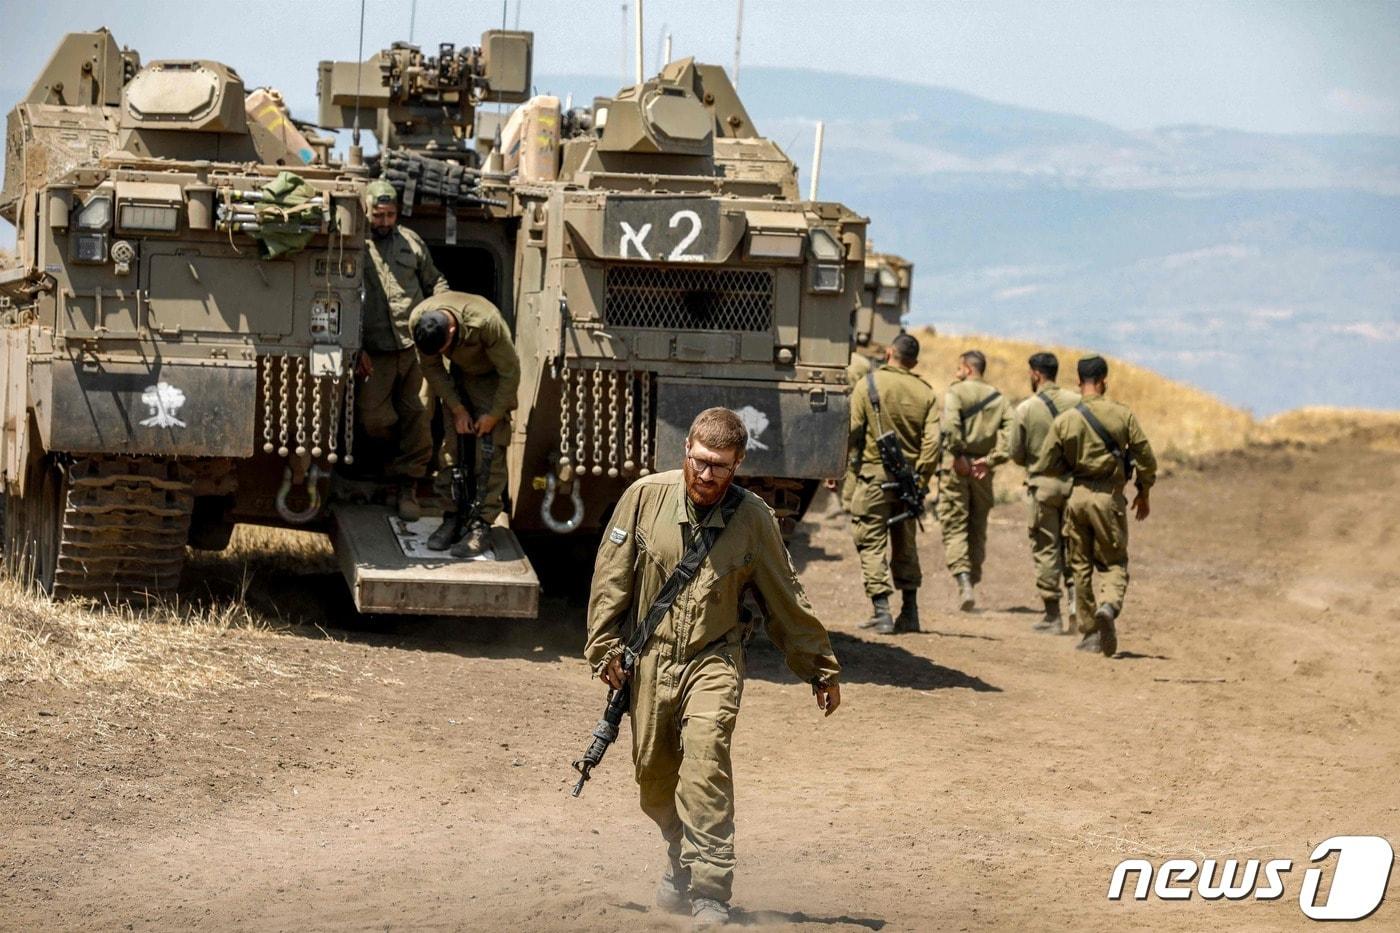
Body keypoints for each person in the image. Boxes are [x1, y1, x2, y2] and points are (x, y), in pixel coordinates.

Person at [585, 407, 841, 927]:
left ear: (739, 463)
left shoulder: (754, 520)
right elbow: (611, 579)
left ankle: (710, 890)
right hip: (649, 658)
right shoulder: (644, 497)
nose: (707, 476)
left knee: (705, 758)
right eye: (700, 462)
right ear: (686, 452)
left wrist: (819, 666)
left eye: (720, 466)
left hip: (714, 655)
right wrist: (605, 648)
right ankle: (679, 860)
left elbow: (784, 597)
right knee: (653, 779)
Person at [1032, 355, 1157, 657]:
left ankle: (1090, 633)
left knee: (1080, 564)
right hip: (1108, 497)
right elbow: (1146, 459)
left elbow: (1046, 463)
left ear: (1078, 381)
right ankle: (1109, 606)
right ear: (1104, 381)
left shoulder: (1066, 420)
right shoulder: (1122, 415)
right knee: (1114, 561)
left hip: (1077, 497)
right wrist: (1143, 490)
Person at [356, 179, 450, 521]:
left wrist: (442, 314)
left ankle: (408, 483)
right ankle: (390, 462)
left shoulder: (411, 243)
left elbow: (435, 281)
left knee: (420, 414)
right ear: (367, 210)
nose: (384, 221)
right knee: (374, 418)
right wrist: (355, 346)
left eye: (390, 214)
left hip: (414, 346)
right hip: (375, 349)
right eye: (378, 214)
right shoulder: (356, 244)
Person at [409, 291, 520, 558]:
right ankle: (452, 516)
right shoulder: (418, 320)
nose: (444, 352)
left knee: (488, 451)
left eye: (446, 346)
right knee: (452, 448)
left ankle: (481, 525)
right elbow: (433, 368)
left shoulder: (486, 322)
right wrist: (457, 409)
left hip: (491, 380)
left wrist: (493, 415)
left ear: (452, 328)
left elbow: (510, 372)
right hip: (456, 377)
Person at [847, 333, 940, 634]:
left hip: (873, 478)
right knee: (906, 544)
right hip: (908, 482)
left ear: (889, 353)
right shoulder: (926, 393)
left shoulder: (868, 384)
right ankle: (910, 612)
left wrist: (846, 466)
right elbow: (933, 444)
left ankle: (882, 611)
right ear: (913, 362)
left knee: (871, 542)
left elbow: (853, 431)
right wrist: (920, 480)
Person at [1008, 352, 1081, 633]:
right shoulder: (1077, 403)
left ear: (1036, 374)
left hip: (1043, 486)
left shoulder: (1026, 409)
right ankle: (1076, 605)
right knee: (1074, 547)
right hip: (1075, 486)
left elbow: (1016, 453)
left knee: (1046, 547)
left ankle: (1053, 615)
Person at [936, 349, 1013, 611]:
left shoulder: (956, 392)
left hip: (957, 467)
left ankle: (964, 580)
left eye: (959, 368)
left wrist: (957, 455)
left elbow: (950, 427)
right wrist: (992, 461)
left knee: (954, 523)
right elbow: (1011, 437)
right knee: (978, 525)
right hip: (982, 470)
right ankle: (973, 577)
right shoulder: (999, 398)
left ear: (968, 369)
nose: (957, 372)